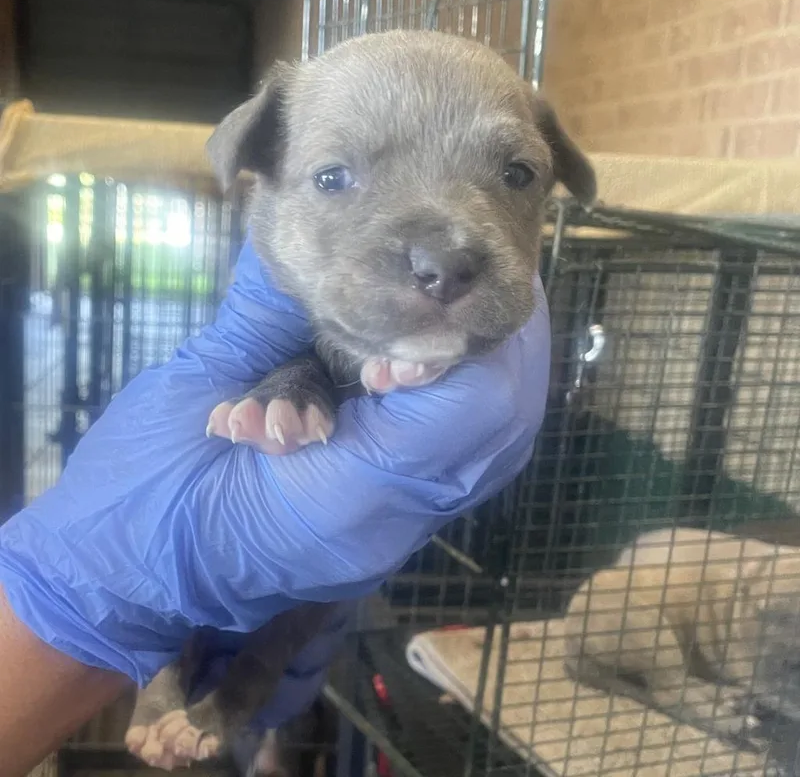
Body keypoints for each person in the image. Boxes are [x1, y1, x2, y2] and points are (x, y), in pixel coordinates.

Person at [0, 236, 551, 776]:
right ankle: (180, 697)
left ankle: (245, 727)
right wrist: (86, 588)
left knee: (277, 638)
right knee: (182, 606)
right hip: (266, 506)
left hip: (306, 581)